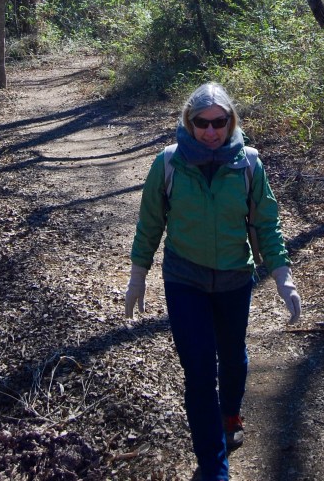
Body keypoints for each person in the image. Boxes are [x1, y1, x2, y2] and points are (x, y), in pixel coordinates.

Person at [124, 82, 301, 481]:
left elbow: (265, 224)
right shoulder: (168, 163)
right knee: (200, 371)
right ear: (188, 123)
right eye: (201, 123)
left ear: (230, 121)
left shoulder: (249, 164)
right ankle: (212, 465)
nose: (210, 130)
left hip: (235, 278)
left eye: (219, 122)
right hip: (184, 278)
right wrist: (138, 276)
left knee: (233, 355)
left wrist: (282, 275)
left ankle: (230, 413)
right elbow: (150, 224)